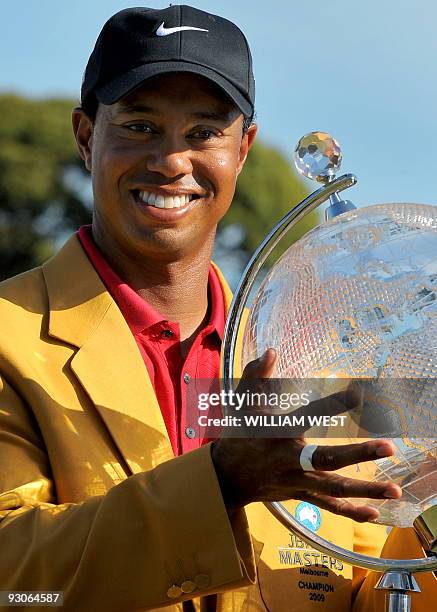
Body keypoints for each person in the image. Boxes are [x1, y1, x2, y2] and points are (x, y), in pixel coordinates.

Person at [0, 5, 433, 611]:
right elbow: (14, 580)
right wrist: (221, 482)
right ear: (84, 134)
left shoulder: (312, 357)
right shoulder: (9, 339)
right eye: (140, 127)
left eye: (204, 133)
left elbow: (373, 586)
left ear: (244, 149)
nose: (173, 161)